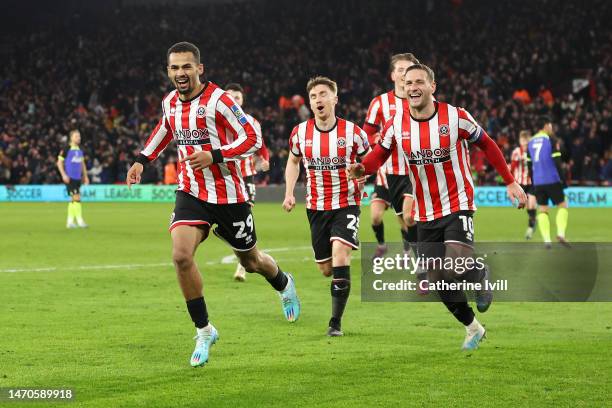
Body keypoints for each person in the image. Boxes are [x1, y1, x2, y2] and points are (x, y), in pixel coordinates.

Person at [126, 42, 300, 368]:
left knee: (251, 262)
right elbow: (165, 129)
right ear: (168, 71)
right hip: (191, 192)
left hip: (230, 196)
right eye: (175, 67)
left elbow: (252, 138)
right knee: (180, 255)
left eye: (186, 66)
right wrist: (142, 160)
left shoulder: (219, 101)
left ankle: (283, 283)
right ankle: (204, 330)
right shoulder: (169, 102)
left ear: (199, 68)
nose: (181, 73)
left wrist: (214, 155)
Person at [349, 64, 526, 350]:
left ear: (433, 86)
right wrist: (362, 168)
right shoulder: (397, 123)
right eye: (408, 83)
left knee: (453, 266)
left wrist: (509, 181)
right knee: (437, 279)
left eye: (419, 81)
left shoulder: (455, 117)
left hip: (458, 203)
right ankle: (473, 328)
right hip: (426, 209)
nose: (413, 87)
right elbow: (380, 154)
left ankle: (478, 273)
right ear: (403, 88)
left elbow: (488, 144)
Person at [283, 76, 369, 337]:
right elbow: (293, 162)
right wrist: (288, 193)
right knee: (326, 269)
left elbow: (371, 162)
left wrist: (362, 171)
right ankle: (327, 266)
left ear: (335, 98)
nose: (318, 100)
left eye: (323, 94)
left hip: (347, 203)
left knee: (340, 254)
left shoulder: (354, 133)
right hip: (316, 207)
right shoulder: (300, 133)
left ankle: (335, 323)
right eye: (313, 96)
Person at [364, 53, 420, 258]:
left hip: (417, 171)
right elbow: (367, 134)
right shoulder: (379, 103)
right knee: (381, 218)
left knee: (409, 217)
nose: (404, 74)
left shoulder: (424, 100)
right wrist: (380, 138)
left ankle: (419, 263)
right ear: (393, 75)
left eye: (408, 70)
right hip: (388, 172)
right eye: (400, 70)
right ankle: (387, 246)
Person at [225, 83, 271, 282]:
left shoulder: (252, 122)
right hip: (224, 177)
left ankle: (242, 265)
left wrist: (265, 160)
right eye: (231, 96)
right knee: (227, 220)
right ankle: (242, 253)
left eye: (238, 97)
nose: (235, 100)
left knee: (245, 215)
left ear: (242, 101)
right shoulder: (217, 120)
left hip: (246, 176)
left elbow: (261, 146)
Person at [527, 117, 570, 248]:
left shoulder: (530, 142)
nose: (551, 128)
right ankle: (561, 234)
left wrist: (534, 182)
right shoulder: (551, 140)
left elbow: (529, 165)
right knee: (563, 205)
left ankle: (547, 240)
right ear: (545, 126)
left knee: (543, 210)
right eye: (550, 125)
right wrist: (563, 179)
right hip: (551, 178)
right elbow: (557, 161)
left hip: (538, 181)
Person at [56, 129, 89, 228]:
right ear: (71, 138)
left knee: (73, 199)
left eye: (79, 136)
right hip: (70, 178)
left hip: (78, 177)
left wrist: (85, 176)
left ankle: (70, 222)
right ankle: (79, 221)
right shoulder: (66, 148)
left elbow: (82, 164)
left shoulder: (79, 149)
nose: (79, 138)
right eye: (76, 136)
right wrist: (63, 175)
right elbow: (59, 162)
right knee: (77, 198)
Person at [511, 130, 537, 239]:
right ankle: (534, 219)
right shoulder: (516, 152)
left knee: (531, 204)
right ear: (520, 141)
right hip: (520, 183)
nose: (525, 144)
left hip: (532, 182)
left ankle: (531, 227)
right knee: (523, 205)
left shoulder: (534, 151)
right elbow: (512, 167)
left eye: (526, 142)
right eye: (523, 141)